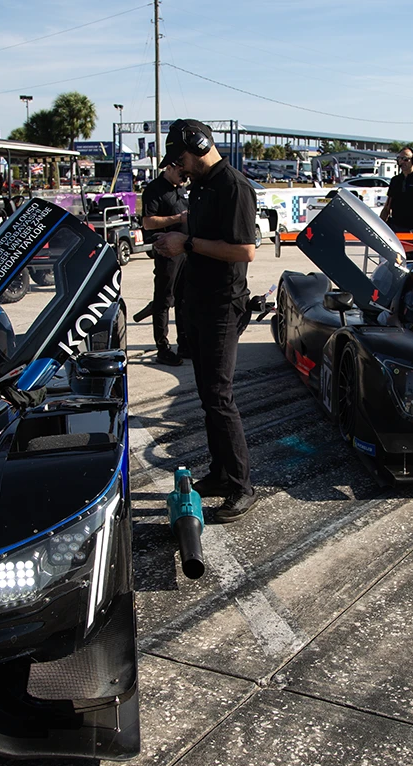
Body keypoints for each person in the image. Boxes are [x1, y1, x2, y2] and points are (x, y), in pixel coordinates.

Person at [153, 119, 259, 522]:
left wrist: (188, 243)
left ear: (198, 146)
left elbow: (244, 251)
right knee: (207, 397)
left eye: (180, 159)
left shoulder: (234, 187)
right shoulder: (200, 186)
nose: (177, 167)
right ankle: (219, 473)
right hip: (197, 302)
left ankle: (241, 484)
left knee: (219, 396)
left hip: (221, 306)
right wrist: (172, 243)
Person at [140, 161, 190, 366]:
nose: (184, 176)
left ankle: (185, 344)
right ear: (168, 168)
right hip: (167, 250)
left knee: (184, 298)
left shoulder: (184, 188)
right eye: (180, 172)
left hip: (187, 249)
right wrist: (178, 218)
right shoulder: (154, 190)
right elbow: (148, 222)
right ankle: (163, 347)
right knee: (163, 299)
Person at [380, 148, 413, 234]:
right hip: (394, 229)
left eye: (405, 159)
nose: (402, 162)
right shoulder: (395, 180)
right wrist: (379, 228)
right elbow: (387, 208)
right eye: (400, 159)